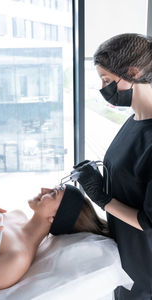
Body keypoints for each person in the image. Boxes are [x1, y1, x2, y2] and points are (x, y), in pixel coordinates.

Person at [74, 33, 152, 299]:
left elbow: (149, 221)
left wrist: (101, 197)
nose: (103, 88)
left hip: (146, 270)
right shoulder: (133, 121)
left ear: (133, 72)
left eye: (107, 80)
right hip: (123, 260)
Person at [0, 184, 109, 300]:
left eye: (53, 193)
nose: (43, 189)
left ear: (53, 218)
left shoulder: (18, 258)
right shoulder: (17, 215)